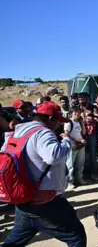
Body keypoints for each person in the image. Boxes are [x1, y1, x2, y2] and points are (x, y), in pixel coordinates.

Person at [1, 101, 87, 247]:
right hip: (45, 200)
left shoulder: (18, 132)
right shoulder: (43, 132)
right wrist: (66, 140)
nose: (59, 125)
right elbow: (53, 156)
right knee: (76, 236)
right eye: (58, 121)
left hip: (24, 197)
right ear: (50, 119)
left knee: (14, 242)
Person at [64, 106, 87, 190]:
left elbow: (84, 132)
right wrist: (74, 141)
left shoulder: (79, 122)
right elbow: (66, 134)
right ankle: (69, 182)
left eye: (78, 112)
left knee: (81, 163)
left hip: (81, 145)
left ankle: (79, 179)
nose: (77, 114)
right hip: (73, 145)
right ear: (71, 113)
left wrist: (83, 123)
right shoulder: (68, 123)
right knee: (70, 164)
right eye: (75, 112)